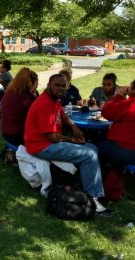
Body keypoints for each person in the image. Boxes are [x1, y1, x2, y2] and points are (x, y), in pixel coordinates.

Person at [24, 74, 111, 216]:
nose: (61, 88)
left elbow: (62, 113)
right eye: (57, 85)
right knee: (89, 155)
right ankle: (93, 198)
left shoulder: (54, 99)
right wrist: (71, 140)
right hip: (41, 146)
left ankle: (83, 185)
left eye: (63, 86)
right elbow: (52, 137)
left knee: (93, 148)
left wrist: (73, 127)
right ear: (49, 85)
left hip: (49, 143)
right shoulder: (44, 103)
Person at [1, 67, 38, 147]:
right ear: (32, 83)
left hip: (6, 132)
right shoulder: (28, 98)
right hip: (18, 135)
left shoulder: (9, 93)